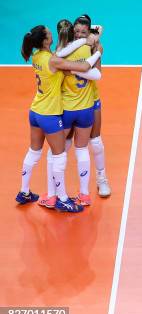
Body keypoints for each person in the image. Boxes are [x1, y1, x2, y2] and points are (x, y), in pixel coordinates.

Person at [17, 25, 100, 212]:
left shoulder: (37, 56)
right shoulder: (54, 61)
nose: (52, 34)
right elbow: (85, 67)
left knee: (34, 152)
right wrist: (97, 52)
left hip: (35, 111)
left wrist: (83, 40)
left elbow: (64, 52)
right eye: (49, 33)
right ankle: (62, 198)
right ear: (46, 40)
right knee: (59, 156)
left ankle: (24, 192)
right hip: (49, 114)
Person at [73, 15, 112, 196]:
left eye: (83, 32)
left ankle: (102, 179)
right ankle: (56, 189)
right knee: (64, 146)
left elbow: (98, 72)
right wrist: (94, 35)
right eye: (77, 32)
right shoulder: (66, 47)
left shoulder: (92, 47)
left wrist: (95, 38)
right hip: (69, 101)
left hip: (91, 99)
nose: (79, 35)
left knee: (95, 142)